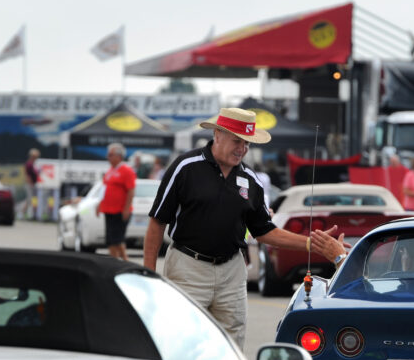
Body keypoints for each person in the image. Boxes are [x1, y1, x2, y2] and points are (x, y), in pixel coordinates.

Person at [143, 107, 343, 347]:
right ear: (217, 135)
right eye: (237, 141)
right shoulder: (185, 167)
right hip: (188, 267)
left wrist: (313, 244)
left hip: (232, 271)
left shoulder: (251, 180)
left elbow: (264, 231)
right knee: (184, 341)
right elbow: (157, 222)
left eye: (247, 143)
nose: (242, 148)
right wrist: (148, 275)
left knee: (232, 343)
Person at [97, 143, 136, 261]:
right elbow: (104, 189)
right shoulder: (110, 171)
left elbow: (131, 191)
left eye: (110, 155)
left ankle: (123, 261)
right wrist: (99, 204)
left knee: (117, 239)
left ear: (119, 156)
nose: (108, 157)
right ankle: (117, 261)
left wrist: (126, 209)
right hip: (108, 210)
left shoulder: (126, 170)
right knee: (110, 240)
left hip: (119, 211)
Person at [21, 148, 40, 220]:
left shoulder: (33, 164)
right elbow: (27, 175)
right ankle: (23, 213)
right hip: (30, 184)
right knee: (29, 199)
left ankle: (30, 213)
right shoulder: (29, 164)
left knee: (31, 199)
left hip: (33, 183)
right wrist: (31, 183)